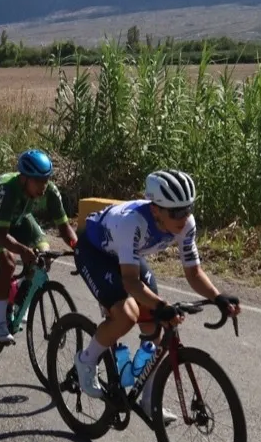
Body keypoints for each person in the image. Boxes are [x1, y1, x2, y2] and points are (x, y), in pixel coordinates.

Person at [72, 170, 239, 417]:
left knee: (156, 329)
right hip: (95, 252)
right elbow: (130, 282)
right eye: (177, 212)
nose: (184, 217)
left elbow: (193, 273)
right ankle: (86, 360)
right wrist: (162, 304)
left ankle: (149, 402)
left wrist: (218, 297)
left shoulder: (185, 224)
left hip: (128, 254)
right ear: (155, 210)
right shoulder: (132, 222)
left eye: (188, 208)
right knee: (127, 315)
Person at [0, 150, 78, 344]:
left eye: (46, 179)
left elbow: (65, 228)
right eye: (38, 181)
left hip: (21, 217)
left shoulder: (49, 190)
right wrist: (23, 250)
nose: (44, 185)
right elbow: (3, 235)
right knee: (8, 263)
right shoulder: (8, 190)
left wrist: (79, 249)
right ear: (24, 178)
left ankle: (18, 295)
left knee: (44, 254)